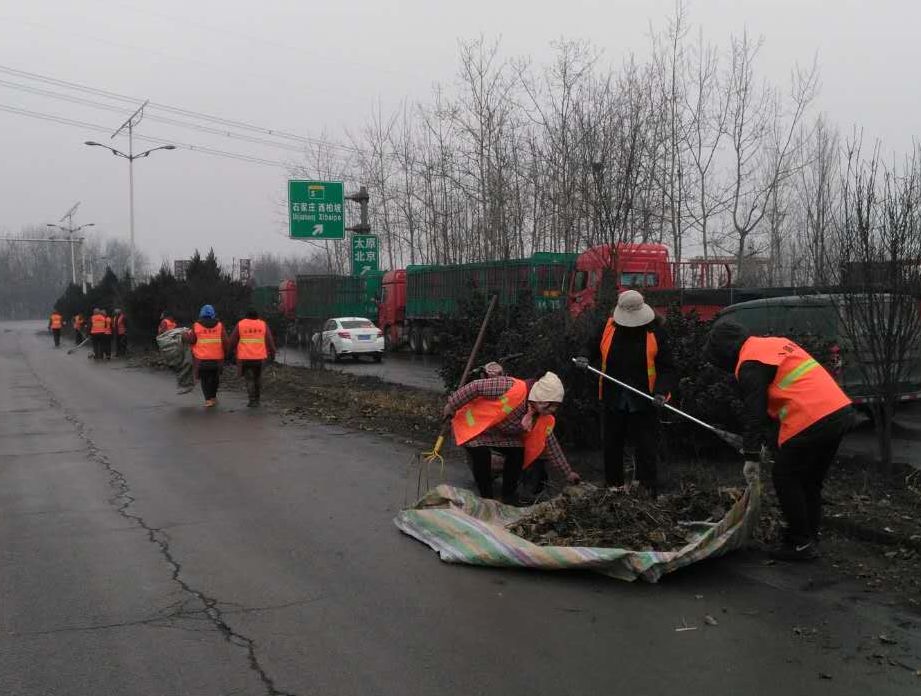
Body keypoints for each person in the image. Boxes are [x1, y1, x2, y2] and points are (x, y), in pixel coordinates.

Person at [704, 321, 854, 561]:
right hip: (839, 412)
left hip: (812, 418)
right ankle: (808, 538)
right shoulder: (773, 344)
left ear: (725, 351)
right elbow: (780, 402)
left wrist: (751, 456)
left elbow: (755, 413)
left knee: (785, 476)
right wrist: (770, 444)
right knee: (810, 481)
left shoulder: (750, 363)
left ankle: (800, 542)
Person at [576, 289, 675, 494]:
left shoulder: (655, 332)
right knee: (612, 444)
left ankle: (647, 489)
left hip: (644, 399)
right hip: (613, 396)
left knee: (645, 446)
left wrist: (661, 392)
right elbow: (590, 346)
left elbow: (667, 368)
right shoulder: (607, 328)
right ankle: (614, 488)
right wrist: (584, 356)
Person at [443, 371, 581, 505]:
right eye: (552, 405)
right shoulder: (510, 386)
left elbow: (552, 445)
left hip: (501, 434)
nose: (553, 410)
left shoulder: (542, 415)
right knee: (481, 453)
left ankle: (508, 496)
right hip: (475, 426)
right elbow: (476, 386)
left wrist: (567, 473)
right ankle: (487, 499)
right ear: (541, 398)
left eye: (556, 406)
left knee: (517, 452)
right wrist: (452, 405)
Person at [228, 308, 277, 407]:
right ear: (257, 316)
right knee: (257, 378)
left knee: (249, 379)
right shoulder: (263, 324)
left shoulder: (241, 324)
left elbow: (232, 341)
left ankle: (252, 400)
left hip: (245, 357)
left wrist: (229, 352)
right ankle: (257, 399)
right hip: (260, 358)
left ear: (246, 316)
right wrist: (273, 353)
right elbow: (269, 340)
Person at [182, 304, 229, 408]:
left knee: (205, 379)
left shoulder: (197, 325)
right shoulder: (220, 325)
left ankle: (208, 399)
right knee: (215, 378)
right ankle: (213, 397)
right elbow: (226, 342)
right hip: (217, 358)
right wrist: (227, 353)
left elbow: (192, 340)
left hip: (201, 359)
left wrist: (184, 335)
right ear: (213, 314)